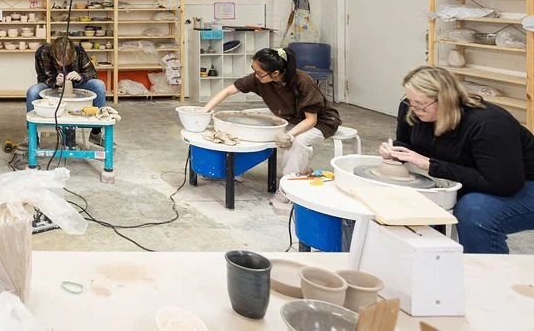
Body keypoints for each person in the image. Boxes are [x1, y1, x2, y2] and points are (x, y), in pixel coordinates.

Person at [378, 66, 534, 254]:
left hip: (520, 183)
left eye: (420, 104)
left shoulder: (489, 124)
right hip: (481, 176)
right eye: (410, 101)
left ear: (446, 100)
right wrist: (397, 152)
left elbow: (503, 184)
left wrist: (431, 165)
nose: (413, 108)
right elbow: (407, 142)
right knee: (411, 195)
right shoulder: (412, 109)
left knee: (474, 211)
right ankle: (428, 258)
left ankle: (487, 275)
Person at [203, 47, 341, 204]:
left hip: (321, 121)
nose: (256, 75)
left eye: (259, 73)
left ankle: (287, 191)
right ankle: (237, 169)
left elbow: (311, 120)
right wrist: (204, 111)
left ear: (275, 73)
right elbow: (228, 91)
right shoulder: (260, 78)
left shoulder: (302, 81)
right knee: (244, 119)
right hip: (287, 116)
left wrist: (290, 134)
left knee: (298, 143)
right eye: (254, 70)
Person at [26, 36, 109, 146]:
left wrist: (80, 76)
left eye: (67, 62)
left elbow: (92, 73)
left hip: (76, 84)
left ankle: (96, 132)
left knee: (99, 85)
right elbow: (42, 77)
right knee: (32, 91)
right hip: (52, 84)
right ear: (53, 54)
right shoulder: (43, 52)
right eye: (60, 61)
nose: (63, 64)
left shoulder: (78, 51)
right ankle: (32, 137)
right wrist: (55, 81)